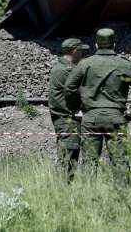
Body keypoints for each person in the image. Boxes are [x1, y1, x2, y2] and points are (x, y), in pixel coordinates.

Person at [64, 28, 131, 171]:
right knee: (120, 161)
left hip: (91, 118)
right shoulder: (123, 64)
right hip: (116, 117)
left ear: (96, 44)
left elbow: (69, 88)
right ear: (114, 44)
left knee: (90, 162)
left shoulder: (85, 64)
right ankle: (122, 192)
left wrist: (75, 107)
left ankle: (89, 192)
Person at [47, 37, 87, 181]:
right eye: (81, 51)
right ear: (74, 51)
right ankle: (65, 188)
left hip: (65, 119)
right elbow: (81, 91)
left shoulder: (61, 68)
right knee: (69, 158)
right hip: (67, 119)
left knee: (69, 157)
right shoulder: (66, 70)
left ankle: (66, 186)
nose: (82, 54)